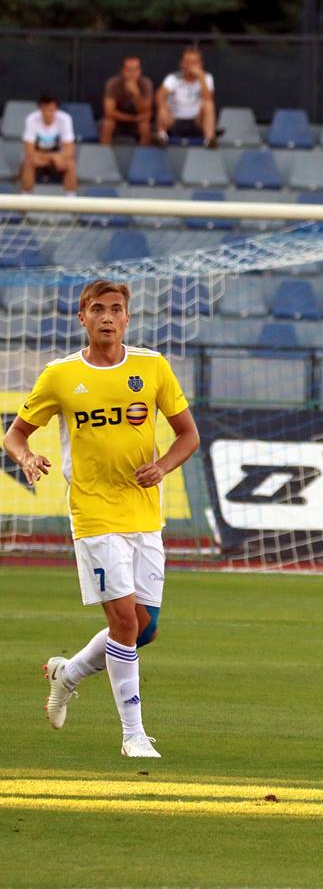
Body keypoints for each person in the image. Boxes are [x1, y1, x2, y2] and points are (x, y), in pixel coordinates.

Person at [2, 280, 200, 758]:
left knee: (143, 626)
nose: (107, 317)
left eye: (116, 309)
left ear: (127, 318)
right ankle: (133, 735)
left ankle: (66, 673)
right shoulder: (61, 375)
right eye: (97, 309)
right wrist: (26, 459)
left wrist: (163, 465)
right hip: (92, 512)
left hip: (144, 513)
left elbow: (187, 435)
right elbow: (15, 435)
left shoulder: (152, 367)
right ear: (82, 318)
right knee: (125, 624)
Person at [155, 46, 217, 147]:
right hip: (174, 120)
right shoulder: (173, 77)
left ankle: (209, 139)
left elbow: (208, 98)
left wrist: (201, 78)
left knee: (209, 105)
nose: (190, 66)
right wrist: (163, 106)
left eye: (194, 62)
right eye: (188, 62)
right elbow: (160, 95)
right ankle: (161, 136)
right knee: (162, 102)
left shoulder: (206, 77)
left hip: (197, 121)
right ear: (182, 63)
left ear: (200, 64)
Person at [21, 95, 77, 194]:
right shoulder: (31, 119)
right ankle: (26, 197)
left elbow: (70, 150)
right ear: (40, 109)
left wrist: (57, 157)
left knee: (70, 164)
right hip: (40, 157)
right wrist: (52, 158)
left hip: (59, 157)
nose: (49, 113)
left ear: (56, 109)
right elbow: (29, 151)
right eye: (46, 109)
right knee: (28, 162)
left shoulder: (65, 119)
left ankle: (70, 198)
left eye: (52, 110)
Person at [100, 56, 154, 145]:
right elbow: (109, 112)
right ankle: (103, 155)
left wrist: (136, 94)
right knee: (107, 124)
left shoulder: (145, 83)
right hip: (118, 120)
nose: (132, 74)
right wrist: (133, 119)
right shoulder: (113, 83)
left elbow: (146, 111)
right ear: (122, 71)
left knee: (145, 126)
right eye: (128, 70)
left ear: (140, 71)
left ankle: (143, 157)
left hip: (138, 121)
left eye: (135, 70)